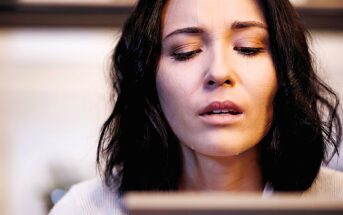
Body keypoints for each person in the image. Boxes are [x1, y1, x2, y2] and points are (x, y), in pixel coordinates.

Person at [49, 0, 343, 214]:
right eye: (186, 52)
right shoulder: (87, 209)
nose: (218, 72)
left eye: (248, 48)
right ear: (148, 77)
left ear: (286, 71)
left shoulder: (336, 199)